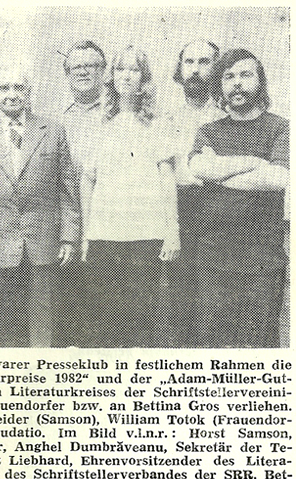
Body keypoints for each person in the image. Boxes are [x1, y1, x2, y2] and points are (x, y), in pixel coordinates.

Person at [0, 63, 80, 347]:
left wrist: (69, 237)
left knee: (42, 321)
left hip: (43, 240)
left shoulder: (52, 130)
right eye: (4, 88)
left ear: (29, 92)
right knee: (1, 323)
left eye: (18, 88)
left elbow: (68, 190)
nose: (11, 95)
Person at [81, 45, 180, 348]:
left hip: (145, 236)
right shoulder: (97, 124)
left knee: (140, 321)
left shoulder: (157, 124)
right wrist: (86, 234)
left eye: (134, 69)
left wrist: (172, 231)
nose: (126, 76)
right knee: (105, 321)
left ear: (144, 78)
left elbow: (167, 178)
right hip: (104, 236)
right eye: (120, 68)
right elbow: (88, 180)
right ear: (111, 76)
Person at [189, 48, 289, 348]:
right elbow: (198, 167)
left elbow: (278, 178)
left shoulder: (281, 127)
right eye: (228, 77)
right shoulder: (209, 130)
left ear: (260, 81)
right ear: (219, 85)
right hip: (212, 258)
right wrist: (254, 161)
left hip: (262, 261)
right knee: (211, 349)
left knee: (256, 349)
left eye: (246, 75)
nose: (236, 83)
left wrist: (221, 170)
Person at [166, 40, 224, 346]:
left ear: (217, 68)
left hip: (221, 210)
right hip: (179, 209)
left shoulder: (229, 117)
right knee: (179, 300)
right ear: (180, 69)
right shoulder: (166, 118)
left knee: (216, 300)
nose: (196, 71)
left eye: (204, 62)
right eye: (189, 62)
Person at [59, 40, 107, 347]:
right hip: (67, 223)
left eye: (91, 65)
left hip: (107, 222)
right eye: (77, 66)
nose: (84, 71)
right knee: (67, 310)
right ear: (67, 74)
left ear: (103, 72)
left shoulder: (115, 115)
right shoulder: (57, 120)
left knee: (104, 309)